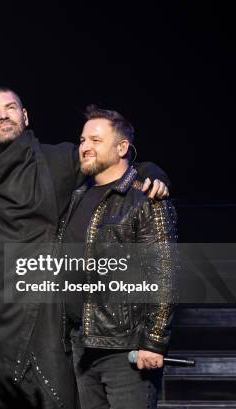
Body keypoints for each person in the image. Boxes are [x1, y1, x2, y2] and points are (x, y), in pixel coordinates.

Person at [0, 87, 170, 409]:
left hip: (49, 315)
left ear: (25, 116)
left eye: (11, 107)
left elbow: (112, 163)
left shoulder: (56, 160)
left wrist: (152, 174)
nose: (3, 114)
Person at [58, 105, 177, 409]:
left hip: (126, 351)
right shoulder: (76, 197)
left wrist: (153, 341)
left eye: (96, 141)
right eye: (83, 140)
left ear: (122, 147)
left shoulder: (145, 198)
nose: (85, 147)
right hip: (82, 346)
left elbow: (164, 274)